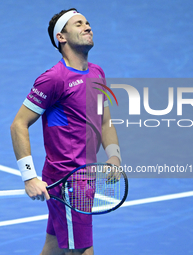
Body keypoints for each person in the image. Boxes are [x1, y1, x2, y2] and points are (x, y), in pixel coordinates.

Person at [10, 8, 121, 255]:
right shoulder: (54, 79)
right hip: (69, 181)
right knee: (80, 251)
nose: (87, 27)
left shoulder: (97, 73)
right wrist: (29, 177)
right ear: (61, 37)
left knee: (53, 247)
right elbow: (19, 124)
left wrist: (114, 156)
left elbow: (105, 122)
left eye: (88, 22)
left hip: (86, 174)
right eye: (78, 24)